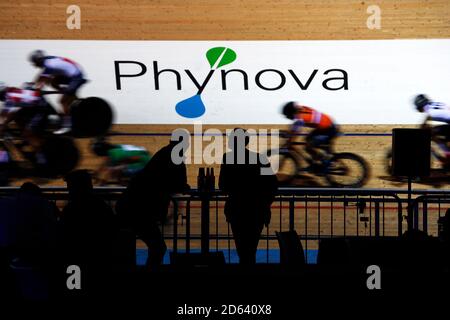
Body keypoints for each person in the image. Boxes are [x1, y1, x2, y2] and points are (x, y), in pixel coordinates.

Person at [116, 137, 190, 269]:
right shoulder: (173, 156)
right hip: (139, 210)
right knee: (158, 247)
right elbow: (179, 184)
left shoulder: (164, 153)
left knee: (134, 248)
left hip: (132, 207)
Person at [219, 128, 278, 265]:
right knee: (251, 250)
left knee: (242, 249)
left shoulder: (227, 158)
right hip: (257, 211)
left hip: (236, 211)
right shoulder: (259, 158)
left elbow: (223, 186)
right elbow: (272, 185)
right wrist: (266, 205)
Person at [59, 170, 117, 291]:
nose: (68, 190)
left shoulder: (71, 209)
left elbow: (64, 235)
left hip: (76, 263)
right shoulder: (102, 206)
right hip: (100, 261)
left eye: (70, 187)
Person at [29, 50, 87, 134]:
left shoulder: (49, 65)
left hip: (76, 77)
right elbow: (41, 75)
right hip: (73, 73)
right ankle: (70, 95)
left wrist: (36, 89)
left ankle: (67, 127)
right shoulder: (47, 60)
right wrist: (32, 84)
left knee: (62, 101)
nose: (35, 65)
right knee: (53, 82)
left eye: (35, 63)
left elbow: (43, 81)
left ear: (38, 61)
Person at [0, 82, 54, 150]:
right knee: (16, 116)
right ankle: (30, 137)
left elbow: (5, 114)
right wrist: (4, 124)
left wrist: (3, 126)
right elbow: (8, 114)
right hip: (37, 106)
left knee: (27, 134)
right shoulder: (11, 92)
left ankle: (42, 151)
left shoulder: (9, 96)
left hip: (41, 109)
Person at [414, 94, 450, 167]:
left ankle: (448, 155)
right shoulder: (437, 105)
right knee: (437, 133)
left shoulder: (429, 112)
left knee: (431, 133)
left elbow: (423, 126)